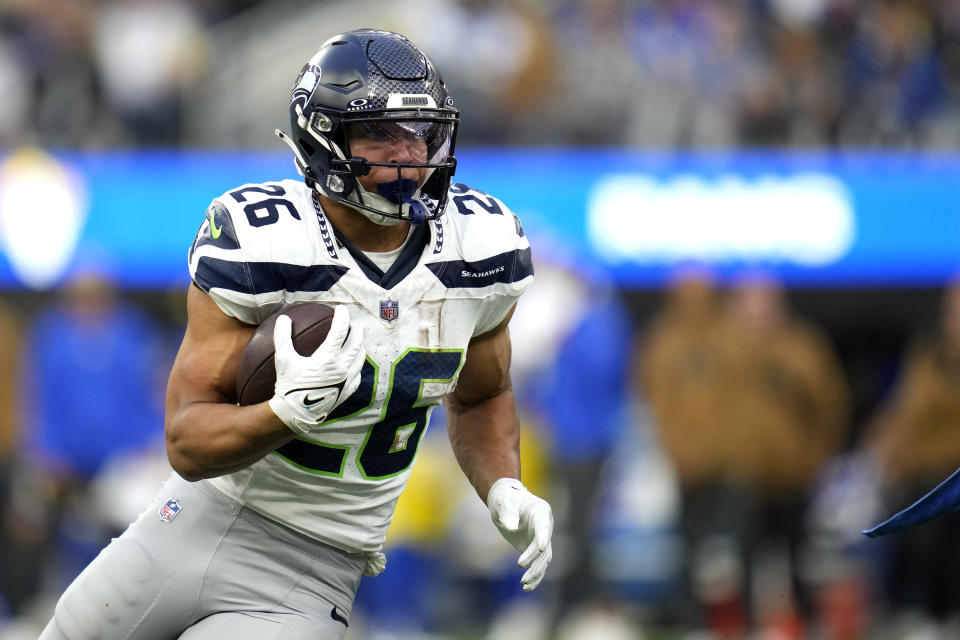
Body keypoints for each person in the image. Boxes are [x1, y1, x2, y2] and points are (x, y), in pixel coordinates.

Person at [40, 29, 553, 639]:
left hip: (313, 567)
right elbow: (186, 438)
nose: (409, 154)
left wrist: (503, 484)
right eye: (381, 135)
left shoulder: (483, 246)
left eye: (420, 131)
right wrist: (282, 415)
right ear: (323, 142)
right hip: (193, 522)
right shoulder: (263, 240)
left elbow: (482, 395)